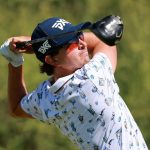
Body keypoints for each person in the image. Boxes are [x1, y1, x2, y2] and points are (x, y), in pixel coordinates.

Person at [0, 16, 148, 150]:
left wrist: (15, 61)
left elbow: (15, 107)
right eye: (72, 43)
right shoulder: (91, 77)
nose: (82, 43)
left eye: (79, 35)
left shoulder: (45, 98)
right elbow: (103, 41)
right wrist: (35, 45)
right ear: (51, 59)